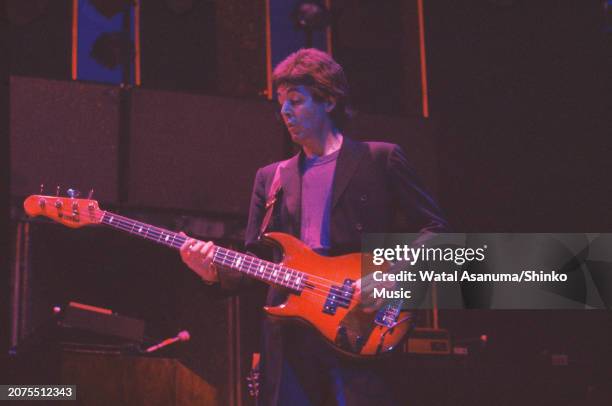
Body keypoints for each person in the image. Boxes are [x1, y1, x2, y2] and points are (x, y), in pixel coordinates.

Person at [180, 48, 448, 405]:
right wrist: (212, 273)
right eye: (281, 103)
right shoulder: (270, 178)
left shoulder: (380, 159)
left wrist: (391, 275)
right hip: (289, 339)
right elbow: (255, 263)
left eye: (296, 100)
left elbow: (436, 231)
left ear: (329, 101)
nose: (285, 112)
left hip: (358, 323)